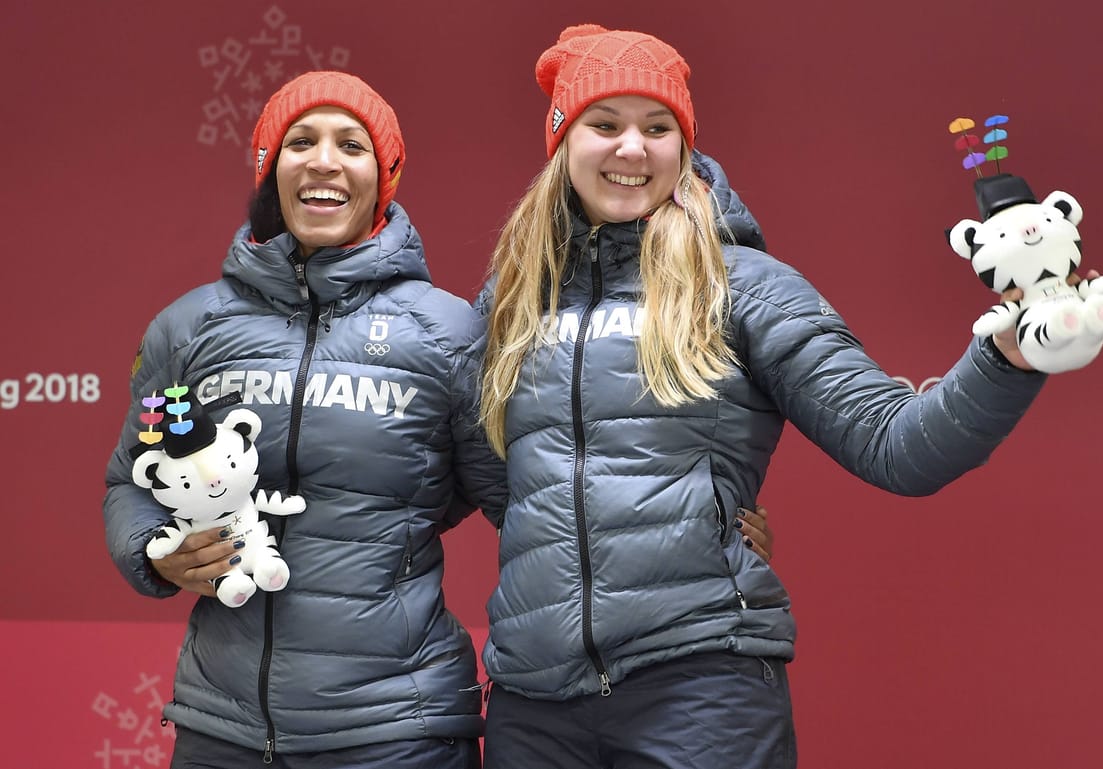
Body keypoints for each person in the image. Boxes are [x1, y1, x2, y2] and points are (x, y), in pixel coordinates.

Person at [103, 69, 775, 769]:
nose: (325, 161)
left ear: (384, 175)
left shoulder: (447, 333)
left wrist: (700, 538)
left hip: (399, 728)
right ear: (271, 169)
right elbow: (130, 479)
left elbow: (539, 499)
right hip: (221, 728)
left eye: (352, 145)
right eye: (301, 141)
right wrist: (153, 549)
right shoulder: (188, 328)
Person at [474, 24, 1052, 769]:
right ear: (562, 142)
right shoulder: (512, 299)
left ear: (683, 147)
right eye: (604, 124)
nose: (631, 149)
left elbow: (895, 442)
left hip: (699, 689)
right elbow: (497, 476)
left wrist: (1006, 354)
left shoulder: (742, 284)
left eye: (657, 127)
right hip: (533, 701)